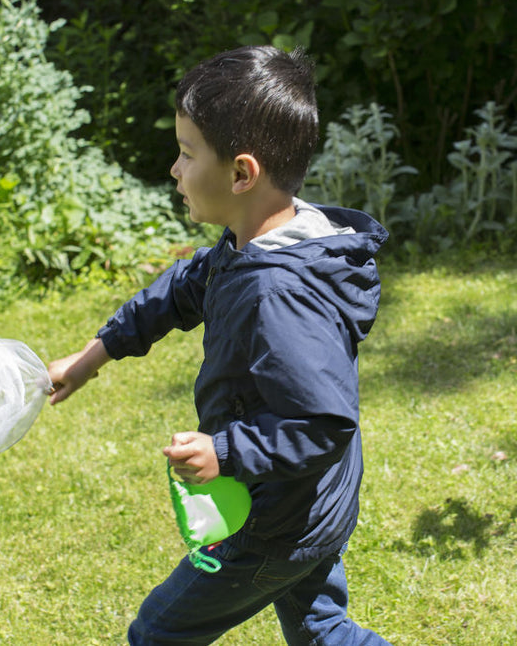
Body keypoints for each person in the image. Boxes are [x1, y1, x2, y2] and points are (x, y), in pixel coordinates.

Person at [47, 45, 391, 646]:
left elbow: (323, 420)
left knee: (158, 633)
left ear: (241, 174)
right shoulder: (259, 240)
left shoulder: (278, 293)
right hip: (310, 503)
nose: (174, 170)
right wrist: (94, 354)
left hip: (273, 520)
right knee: (321, 630)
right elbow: (183, 288)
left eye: (186, 154)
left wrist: (226, 453)